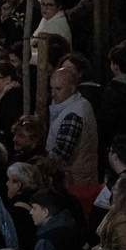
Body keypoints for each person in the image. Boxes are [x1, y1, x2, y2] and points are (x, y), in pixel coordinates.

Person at [46, 67, 99, 198]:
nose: (53, 93)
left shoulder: (74, 113)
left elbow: (61, 153)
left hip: (76, 181)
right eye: (51, 88)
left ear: (72, 88)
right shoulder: (75, 105)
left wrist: (43, 165)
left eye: (58, 89)